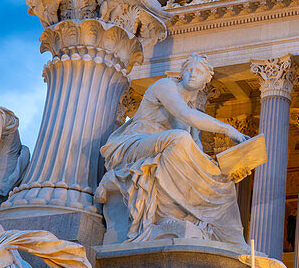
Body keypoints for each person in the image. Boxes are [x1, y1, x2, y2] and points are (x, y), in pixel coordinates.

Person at [97, 54, 251, 247]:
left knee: (224, 183)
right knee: (179, 138)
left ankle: (234, 241)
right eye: (189, 70)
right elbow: (185, 115)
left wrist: (227, 171)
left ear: (205, 82)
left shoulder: (190, 115)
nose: (192, 74)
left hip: (163, 145)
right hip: (133, 145)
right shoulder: (165, 87)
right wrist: (228, 129)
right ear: (182, 72)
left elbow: (197, 155)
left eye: (199, 72)